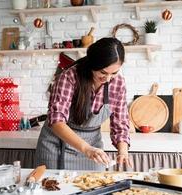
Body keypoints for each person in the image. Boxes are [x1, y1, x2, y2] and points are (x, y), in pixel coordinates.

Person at [35, 37, 131, 170]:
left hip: (93, 149)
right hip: (57, 146)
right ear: (92, 64)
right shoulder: (69, 77)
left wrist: (123, 151)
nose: (108, 79)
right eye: (103, 72)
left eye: (114, 73)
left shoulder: (118, 83)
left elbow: (120, 122)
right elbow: (56, 121)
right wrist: (86, 149)